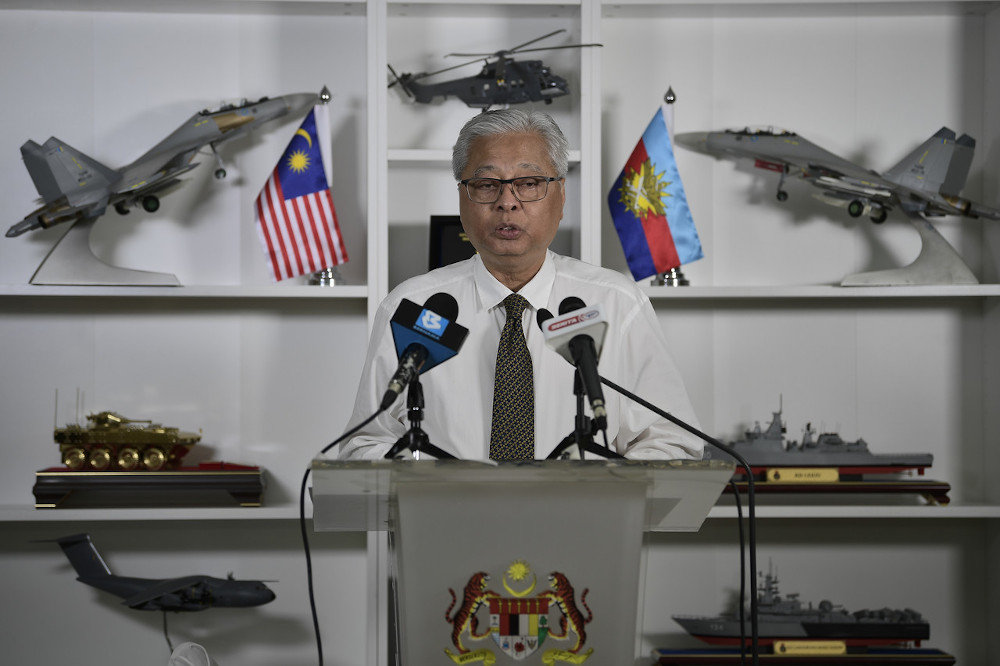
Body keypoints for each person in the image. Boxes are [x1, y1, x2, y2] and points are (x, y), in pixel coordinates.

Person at [339, 108, 703, 460]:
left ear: (561, 196)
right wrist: (431, 491)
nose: (507, 202)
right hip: (448, 521)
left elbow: (672, 443)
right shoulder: (411, 308)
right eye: (486, 184)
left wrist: (601, 500)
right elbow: (365, 445)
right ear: (462, 198)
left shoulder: (617, 303)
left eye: (528, 184)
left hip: (580, 522)